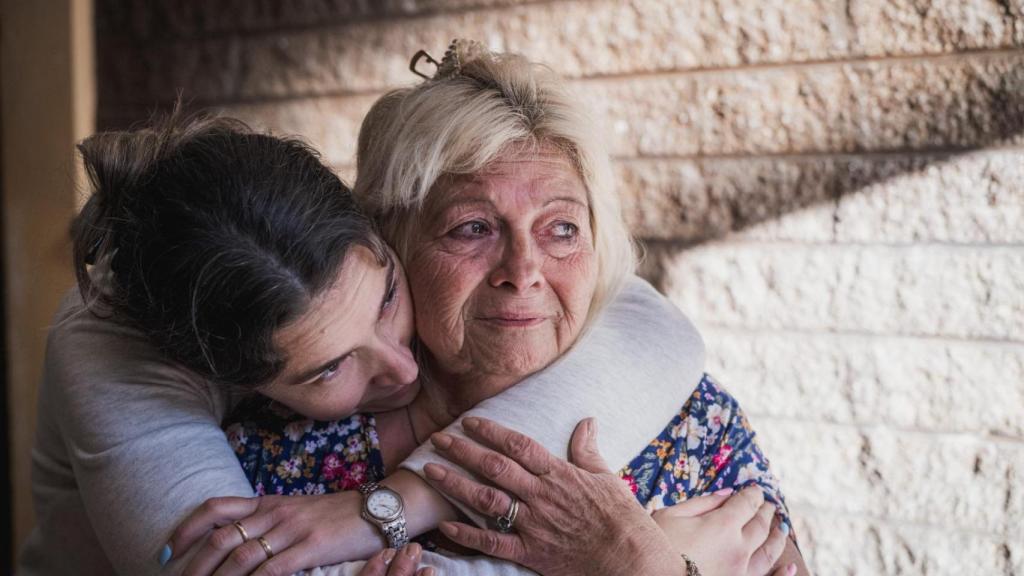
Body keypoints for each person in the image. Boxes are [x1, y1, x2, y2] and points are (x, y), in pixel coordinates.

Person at [178, 41, 807, 576]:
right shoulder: (277, 458)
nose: (523, 272)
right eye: (473, 227)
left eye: (561, 229)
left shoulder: (691, 421)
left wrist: (642, 562)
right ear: (389, 245)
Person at [17, 111, 712, 576]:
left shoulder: (308, 246)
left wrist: (387, 505)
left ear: (373, 226)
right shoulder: (112, 355)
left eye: (386, 299)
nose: (406, 364)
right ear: (229, 378)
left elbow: (659, 329)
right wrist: (653, 562)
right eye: (329, 369)